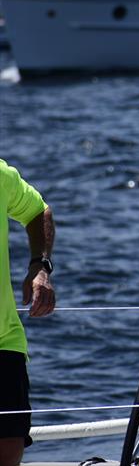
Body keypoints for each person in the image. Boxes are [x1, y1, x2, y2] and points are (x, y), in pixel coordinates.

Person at [0, 159, 56, 466]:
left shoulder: (0, 176)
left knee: (9, 448)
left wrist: (40, 267)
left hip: (4, 341)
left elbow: (38, 211)